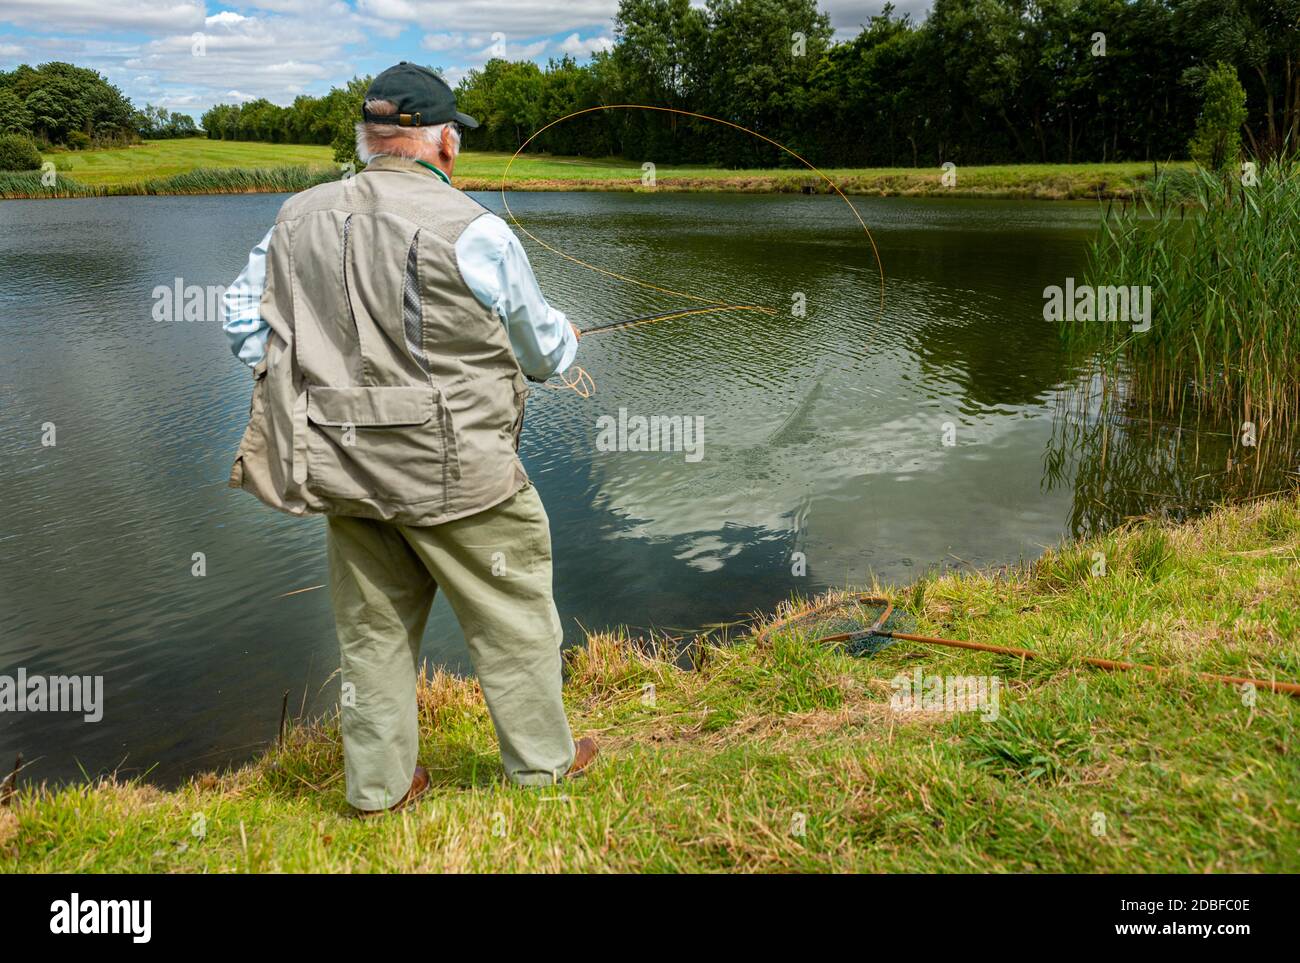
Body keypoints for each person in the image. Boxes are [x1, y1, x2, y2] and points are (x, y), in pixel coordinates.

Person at [221, 61, 596, 816]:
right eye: (457, 136)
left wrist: (314, 377)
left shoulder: (295, 216)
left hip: (345, 469)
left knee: (371, 634)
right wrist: (568, 341)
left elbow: (240, 323)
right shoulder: (476, 228)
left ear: (369, 139)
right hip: (463, 473)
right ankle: (543, 769)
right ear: (444, 143)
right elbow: (543, 354)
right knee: (516, 618)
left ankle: (379, 789)